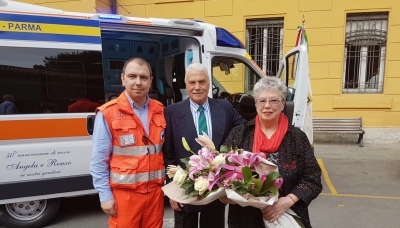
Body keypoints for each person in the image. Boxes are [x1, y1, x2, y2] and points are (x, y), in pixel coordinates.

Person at [221, 76, 322, 228]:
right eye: (262, 100)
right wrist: (225, 195)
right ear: (256, 104)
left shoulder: (297, 138)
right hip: (245, 220)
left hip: (285, 217)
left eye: (274, 100)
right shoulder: (239, 134)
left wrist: (287, 201)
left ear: (283, 104)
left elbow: (312, 178)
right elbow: (222, 172)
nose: (267, 105)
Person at [163, 63, 245, 228]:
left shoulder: (225, 107)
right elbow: (168, 154)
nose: (197, 87)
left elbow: (245, 130)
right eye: (192, 83)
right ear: (185, 85)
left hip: (217, 187)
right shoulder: (171, 112)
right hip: (184, 189)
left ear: (209, 84)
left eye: (202, 82)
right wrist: (172, 193)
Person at [90, 58, 166, 228]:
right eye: (132, 76)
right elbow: (98, 160)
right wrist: (105, 196)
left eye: (143, 77)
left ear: (150, 81)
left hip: (155, 194)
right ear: (123, 79)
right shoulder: (108, 113)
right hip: (125, 196)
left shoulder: (160, 109)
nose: (138, 82)